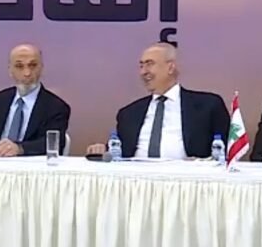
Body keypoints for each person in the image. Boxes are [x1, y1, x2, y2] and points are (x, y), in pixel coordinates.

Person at [86, 42, 230, 159]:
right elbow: (119, 149)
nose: (143, 72)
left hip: (188, 180)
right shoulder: (129, 113)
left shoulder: (208, 106)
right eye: (141, 66)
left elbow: (225, 150)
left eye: (150, 64)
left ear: (170, 68)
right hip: (137, 178)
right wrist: (103, 149)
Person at [0, 44, 70, 156]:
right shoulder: (1, 99)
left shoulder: (56, 107)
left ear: (41, 68)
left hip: (30, 165)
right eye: (19, 66)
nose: (27, 73)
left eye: (32, 65)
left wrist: (20, 149)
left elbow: (53, 143)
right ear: (10, 70)